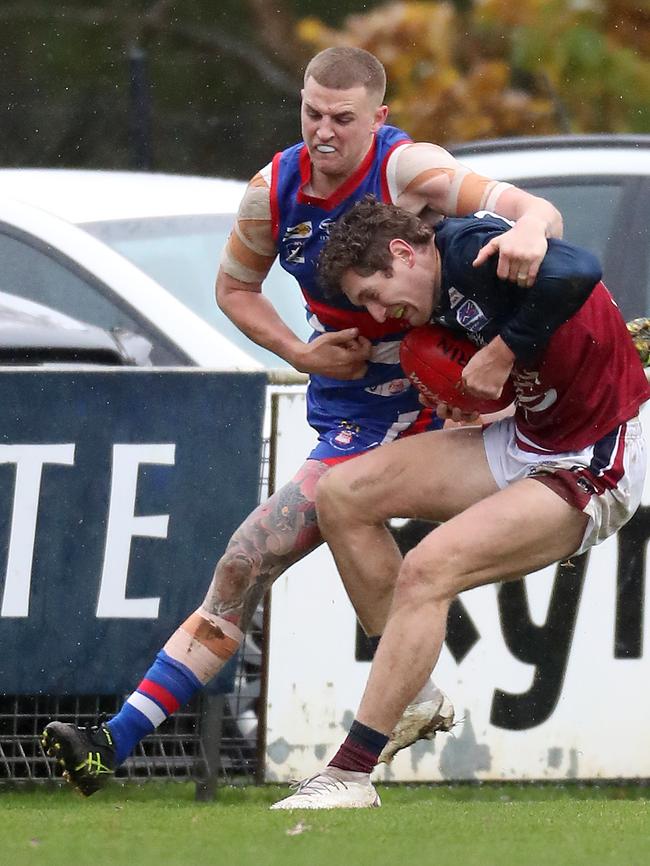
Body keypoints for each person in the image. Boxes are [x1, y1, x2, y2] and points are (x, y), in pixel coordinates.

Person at [41, 47, 564, 796]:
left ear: (377, 119)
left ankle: (126, 740)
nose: (322, 132)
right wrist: (300, 351)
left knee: (253, 550)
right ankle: (113, 745)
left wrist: (532, 232)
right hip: (350, 408)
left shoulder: (408, 169)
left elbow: (525, 209)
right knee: (246, 562)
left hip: (424, 402)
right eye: (311, 112)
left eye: (342, 119)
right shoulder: (272, 190)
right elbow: (234, 288)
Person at [269, 196, 650, 809]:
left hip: (594, 458)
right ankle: (414, 694)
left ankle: (350, 775)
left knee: (427, 569)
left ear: (402, 252)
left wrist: (500, 354)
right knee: (342, 495)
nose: (375, 312)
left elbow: (578, 267)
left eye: (373, 292)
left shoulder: (469, 252)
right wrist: (470, 390)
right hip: (526, 438)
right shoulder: (433, 280)